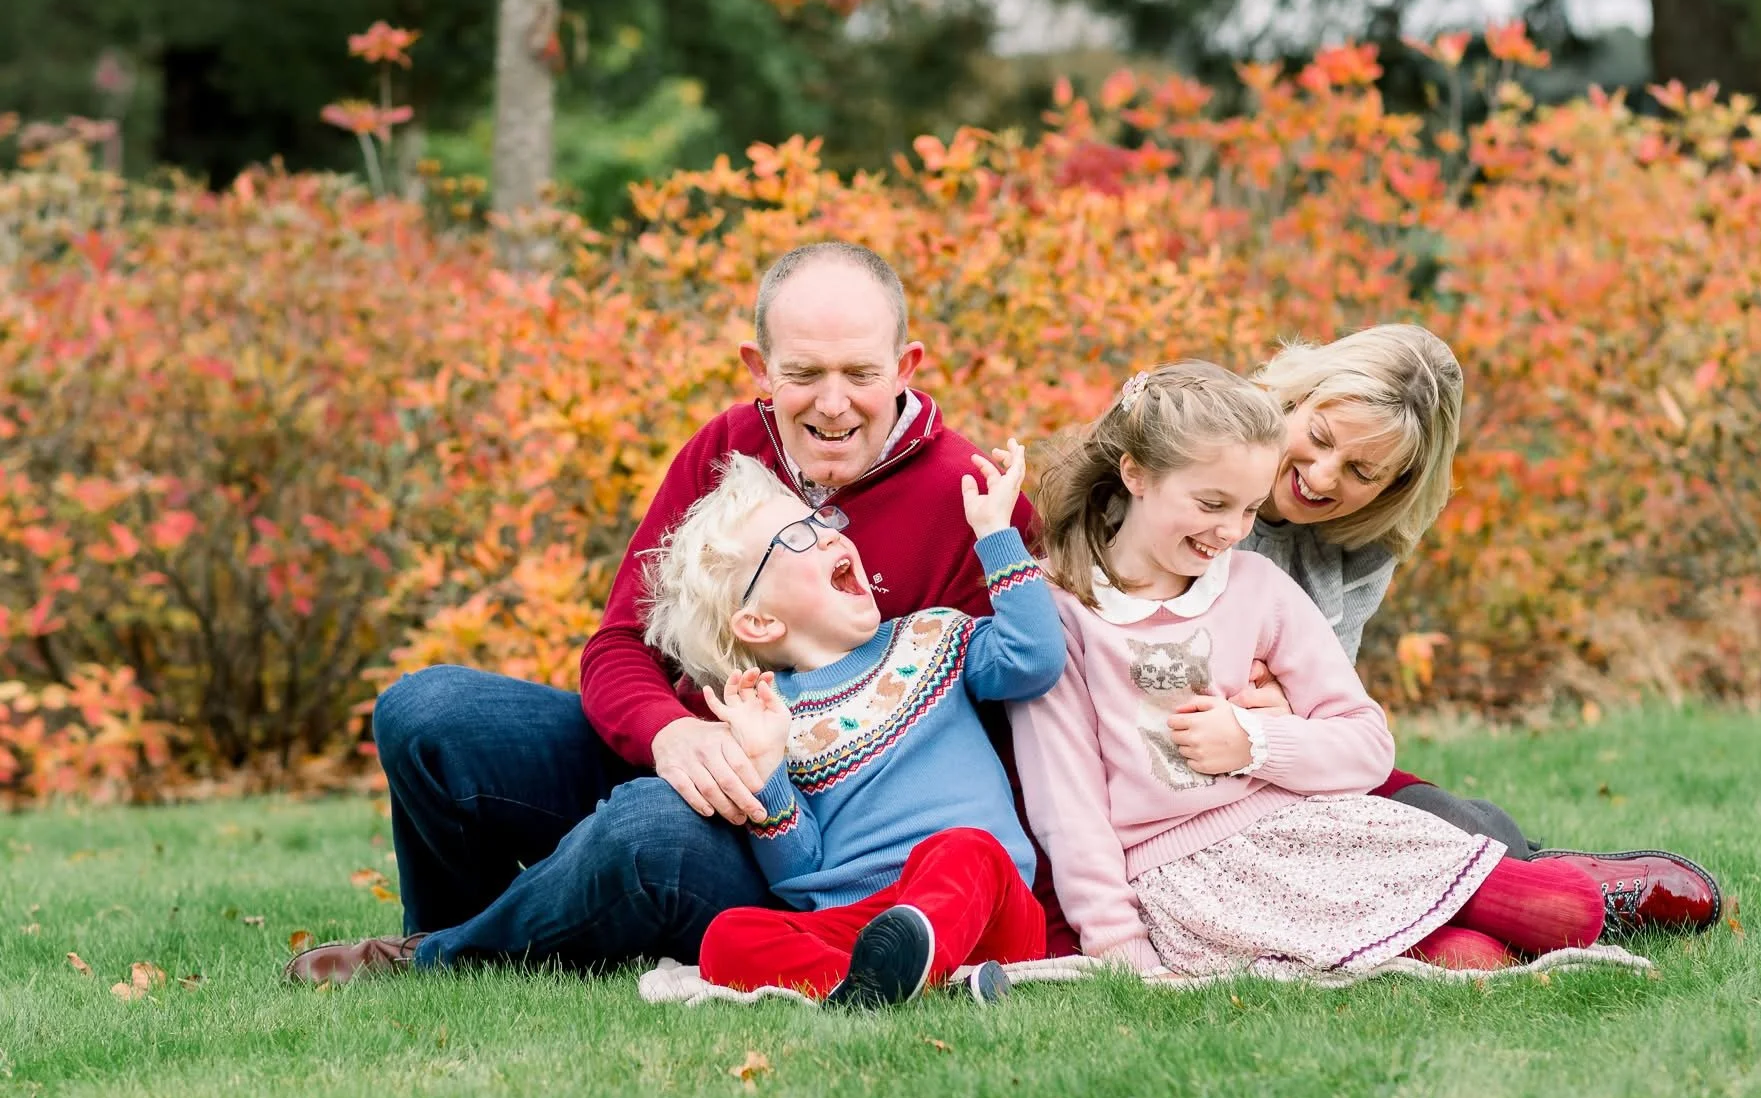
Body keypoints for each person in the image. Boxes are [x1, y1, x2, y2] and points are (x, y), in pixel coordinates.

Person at [285, 241, 1055, 984]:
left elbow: (1025, 710)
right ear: (760, 370)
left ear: (905, 367)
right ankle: (460, 933)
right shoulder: (725, 446)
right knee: (425, 712)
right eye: (802, 373)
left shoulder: (974, 502)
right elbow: (621, 643)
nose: (832, 402)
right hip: (679, 757)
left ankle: (441, 962)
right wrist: (670, 732)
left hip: (794, 843)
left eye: (859, 372)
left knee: (646, 827)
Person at [1011, 362, 1609, 974]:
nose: (1231, 532)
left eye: (1247, 509)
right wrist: (1119, 944)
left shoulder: (1255, 586)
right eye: (1212, 504)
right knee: (1473, 958)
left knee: (1571, 908)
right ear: (1135, 474)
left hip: (1308, 827)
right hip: (1193, 876)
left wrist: (1254, 743)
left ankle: (1605, 885)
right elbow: (1067, 803)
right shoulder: (1063, 612)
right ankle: (1426, 936)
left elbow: (1367, 743)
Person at [1241, 325, 1721, 935]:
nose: (1326, 476)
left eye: (1362, 471)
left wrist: (1291, 706)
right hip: (1199, 770)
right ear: (1294, 401)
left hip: (1294, 762)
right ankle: (1533, 899)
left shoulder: (1358, 547)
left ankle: (1542, 879)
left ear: (1393, 487)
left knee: (1448, 824)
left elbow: (1328, 707)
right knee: (1384, 855)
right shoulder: (1204, 475)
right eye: (1319, 437)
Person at [643, 445, 1060, 1005]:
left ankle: (901, 970)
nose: (829, 535)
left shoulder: (932, 637)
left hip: (985, 905)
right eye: (795, 537)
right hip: (857, 920)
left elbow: (1034, 657)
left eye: (818, 520)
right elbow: (798, 873)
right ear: (760, 621)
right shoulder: (773, 716)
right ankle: (870, 985)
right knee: (729, 936)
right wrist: (768, 773)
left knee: (967, 850)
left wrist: (995, 535)